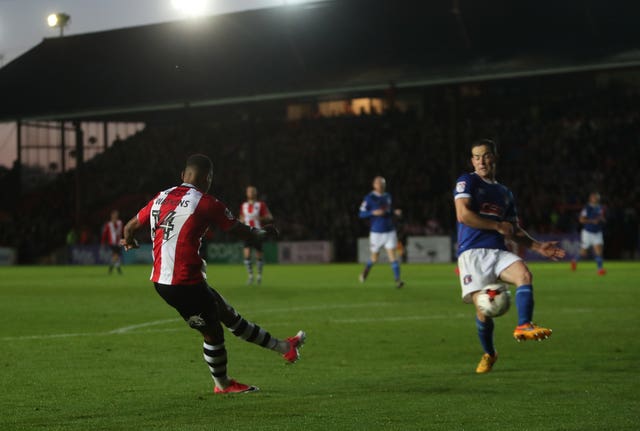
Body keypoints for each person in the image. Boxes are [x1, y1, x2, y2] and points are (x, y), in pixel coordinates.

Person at [121, 154, 305, 394]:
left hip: (171, 279)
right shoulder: (205, 202)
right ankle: (223, 384)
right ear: (207, 178)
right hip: (182, 283)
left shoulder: (161, 197)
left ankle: (284, 347)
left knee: (228, 315)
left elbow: (129, 227)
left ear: (182, 176)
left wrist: (130, 242)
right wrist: (263, 234)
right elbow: (240, 231)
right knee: (213, 332)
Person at [453, 139, 566, 374]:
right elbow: (463, 215)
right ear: (472, 160)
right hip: (472, 253)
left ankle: (524, 325)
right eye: (476, 157)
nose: (481, 161)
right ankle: (490, 353)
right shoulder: (467, 181)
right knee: (484, 311)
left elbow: (512, 229)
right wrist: (496, 226)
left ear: (495, 156)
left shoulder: (505, 192)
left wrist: (538, 247)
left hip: (498, 251)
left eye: (485, 156)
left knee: (524, 274)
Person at [358, 176, 404, 289]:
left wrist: (394, 212)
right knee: (374, 258)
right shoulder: (369, 198)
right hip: (376, 233)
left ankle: (398, 280)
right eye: (379, 183)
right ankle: (366, 271)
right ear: (374, 185)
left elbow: (387, 211)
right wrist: (373, 212)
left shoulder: (388, 196)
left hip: (389, 231)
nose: (381, 185)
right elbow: (361, 213)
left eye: (383, 183)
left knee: (393, 256)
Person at [239, 185, 273, 285]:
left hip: (258, 232)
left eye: (253, 191)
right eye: (249, 191)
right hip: (247, 232)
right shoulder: (243, 206)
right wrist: (241, 222)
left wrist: (260, 218)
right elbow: (241, 218)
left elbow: (269, 217)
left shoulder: (261, 205)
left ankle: (259, 275)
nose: (251, 193)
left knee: (259, 255)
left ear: (255, 193)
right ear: (247, 193)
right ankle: (250, 276)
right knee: (247, 254)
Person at [571, 192, 606, 275]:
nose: (596, 198)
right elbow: (581, 220)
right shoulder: (587, 208)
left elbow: (602, 218)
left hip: (597, 232)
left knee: (599, 251)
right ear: (591, 198)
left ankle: (600, 269)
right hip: (588, 233)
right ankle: (574, 261)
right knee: (583, 253)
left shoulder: (600, 207)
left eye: (597, 197)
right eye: (594, 197)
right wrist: (592, 221)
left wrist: (602, 219)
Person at [101, 209, 124, 274]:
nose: (115, 216)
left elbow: (122, 231)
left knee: (116, 256)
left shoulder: (120, 223)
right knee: (116, 255)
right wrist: (103, 242)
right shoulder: (109, 224)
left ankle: (112, 268)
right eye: (114, 215)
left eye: (116, 215)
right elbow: (105, 234)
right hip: (112, 243)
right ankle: (117, 269)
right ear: (111, 216)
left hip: (119, 242)